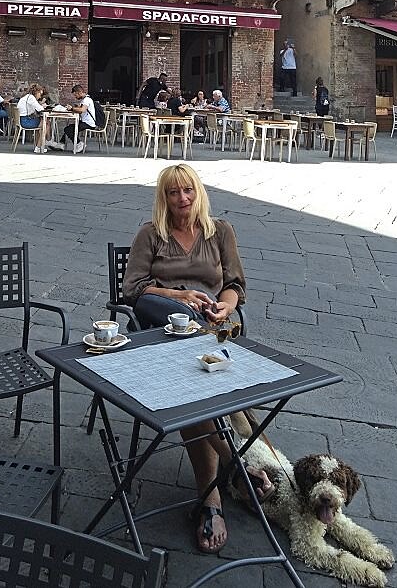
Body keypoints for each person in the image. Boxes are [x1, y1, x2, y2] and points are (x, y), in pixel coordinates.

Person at [122, 164, 274, 553]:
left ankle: (224, 487)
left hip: (215, 331)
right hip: (163, 339)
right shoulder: (150, 234)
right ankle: (234, 475)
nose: (182, 199)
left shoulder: (220, 231)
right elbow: (133, 290)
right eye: (173, 192)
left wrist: (225, 307)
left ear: (198, 192)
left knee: (193, 393)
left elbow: (235, 285)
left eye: (188, 190)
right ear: (164, 197)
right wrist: (179, 296)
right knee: (192, 386)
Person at [47, 84, 95, 154]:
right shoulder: (85, 99)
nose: (75, 97)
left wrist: (72, 108)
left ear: (79, 92)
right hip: (85, 122)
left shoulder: (87, 100)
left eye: (75, 95)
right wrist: (75, 107)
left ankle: (79, 144)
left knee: (68, 129)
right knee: (68, 128)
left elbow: (82, 110)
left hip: (89, 123)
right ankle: (61, 144)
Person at [17, 83, 50, 154]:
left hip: (23, 120)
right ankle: (42, 144)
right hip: (26, 121)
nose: (40, 96)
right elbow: (40, 109)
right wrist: (43, 106)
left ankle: (40, 145)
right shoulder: (31, 98)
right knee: (46, 123)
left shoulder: (27, 96)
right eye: (40, 94)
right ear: (37, 92)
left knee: (43, 123)